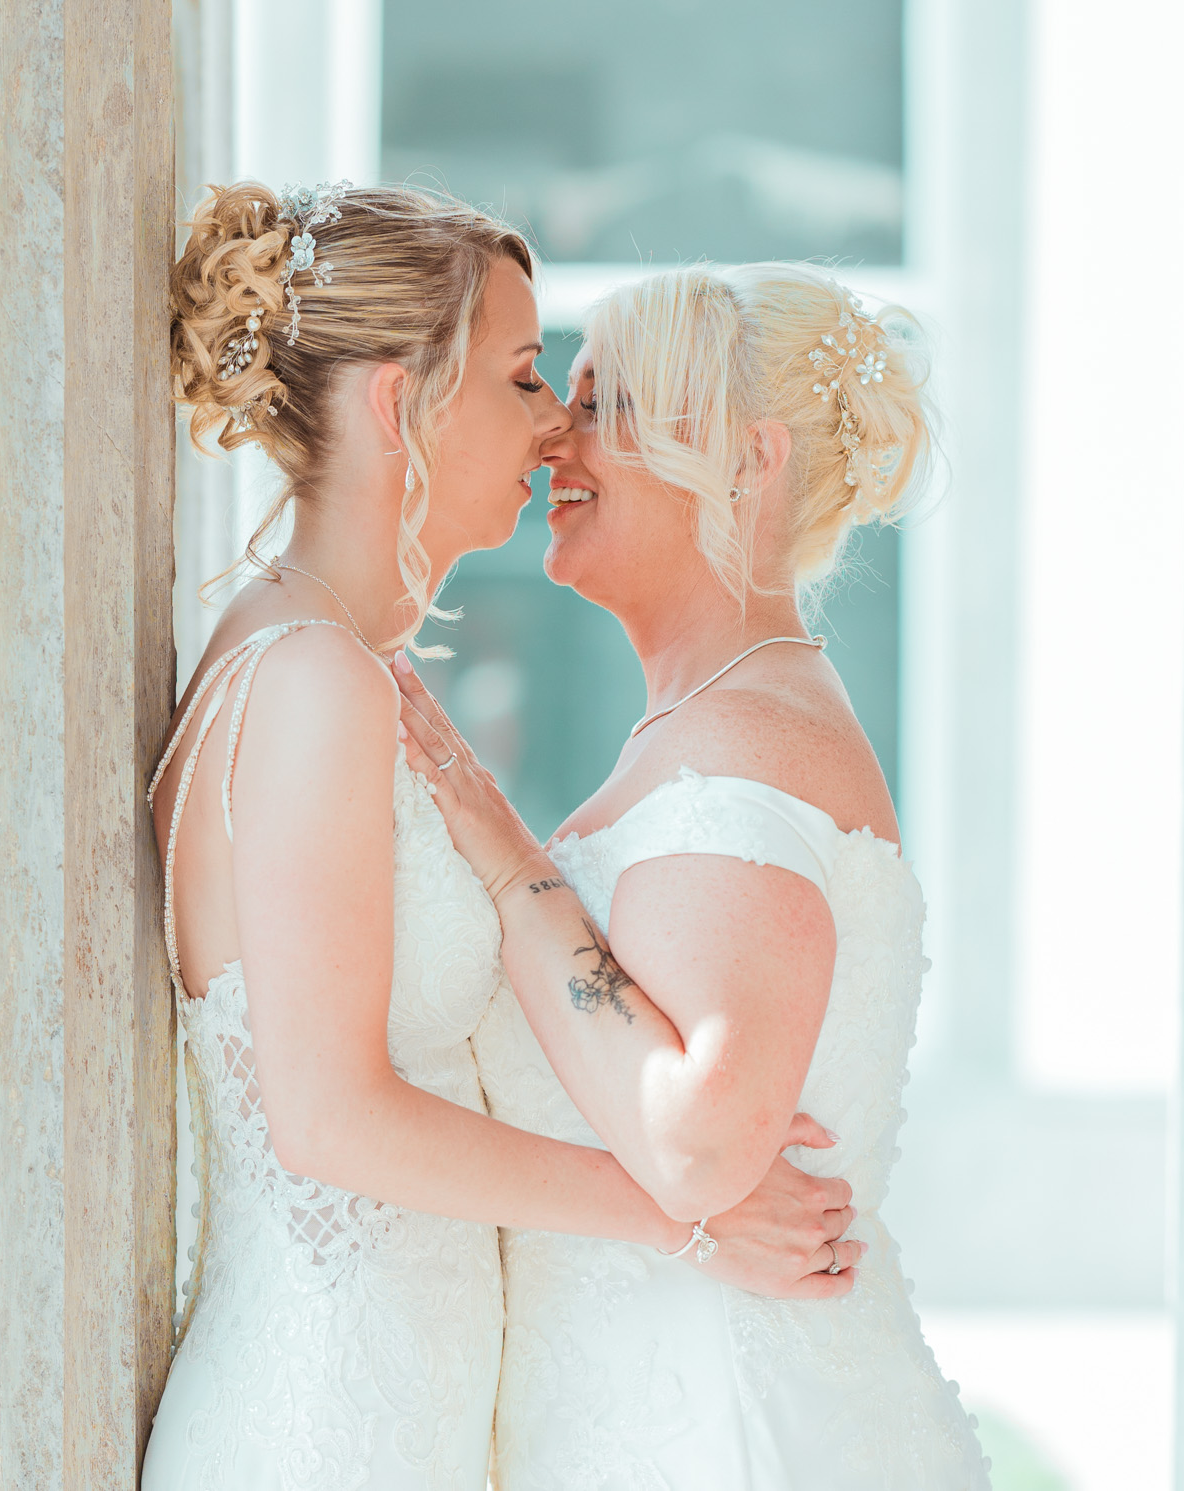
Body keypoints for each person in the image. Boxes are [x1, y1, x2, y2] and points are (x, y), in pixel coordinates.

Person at [141, 186, 860, 1491]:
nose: (553, 425)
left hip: (398, 1398)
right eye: (526, 377)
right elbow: (327, 1116)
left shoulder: (334, 660)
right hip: (329, 1414)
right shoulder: (311, 676)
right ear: (394, 398)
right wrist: (686, 1215)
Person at [395, 262, 992, 1488]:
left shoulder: (744, 752)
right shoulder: (717, 720)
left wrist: (504, 858)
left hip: (724, 1434)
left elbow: (702, 1150)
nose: (559, 432)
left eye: (610, 406)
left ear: (746, 464)